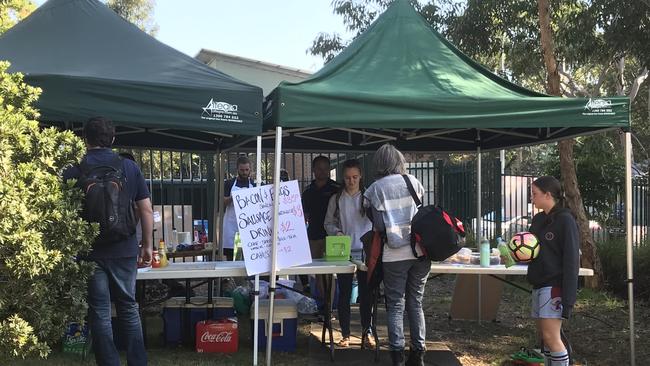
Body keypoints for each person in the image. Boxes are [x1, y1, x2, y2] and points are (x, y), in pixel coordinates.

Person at [64, 117, 152, 366]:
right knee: (128, 307)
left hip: (90, 251)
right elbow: (145, 209)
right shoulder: (128, 167)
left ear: (85, 139)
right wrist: (146, 245)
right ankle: (137, 361)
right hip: (124, 248)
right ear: (112, 139)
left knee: (100, 311)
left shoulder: (74, 169)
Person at [364, 144, 428, 366]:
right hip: (420, 253)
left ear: (379, 163)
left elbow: (380, 226)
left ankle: (397, 355)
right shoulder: (414, 182)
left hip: (394, 254)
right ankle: (418, 353)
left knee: (395, 305)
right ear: (399, 161)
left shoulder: (375, 189)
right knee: (415, 302)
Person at [527, 176, 579, 366]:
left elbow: (571, 260)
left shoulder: (565, 220)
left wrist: (569, 298)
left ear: (548, 195)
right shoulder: (539, 219)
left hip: (554, 285)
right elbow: (530, 249)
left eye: (534, 194)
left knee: (551, 337)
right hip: (539, 283)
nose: (531, 198)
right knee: (544, 337)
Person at [324, 159, 374, 348]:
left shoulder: (369, 197)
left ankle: (366, 332)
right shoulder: (337, 198)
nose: (351, 181)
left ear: (360, 176)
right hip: (343, 251)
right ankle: (345, 333)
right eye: (347, 178)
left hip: (365, 251)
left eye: (354, 177)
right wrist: (336, 232)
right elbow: (328, 222)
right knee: (344, 293)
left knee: (366, 293)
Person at [302, 156, 340, 295]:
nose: (323, 171)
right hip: (313, 236)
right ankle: (323, 304)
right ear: (313, 170)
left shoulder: (337, 189)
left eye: (326, 168)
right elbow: (303, 216)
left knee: (331, 273)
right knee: (317, 273)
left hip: (332, 236)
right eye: (319, 168)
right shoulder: (307, 192)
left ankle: (330, 307)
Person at [222, 156, 255, 261]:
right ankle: (232, 278)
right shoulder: (229, 183)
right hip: (232, 226)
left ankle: (247, 278)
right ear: (237, 170)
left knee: (249, 257)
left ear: (250, 169)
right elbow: (222, 202)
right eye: (242, 170)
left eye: (247, 170)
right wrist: (233, 197)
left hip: (248, 227)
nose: (244, 172)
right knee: (232, 258)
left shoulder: (254, 184)